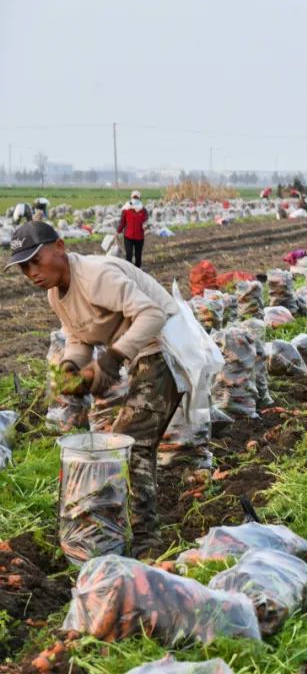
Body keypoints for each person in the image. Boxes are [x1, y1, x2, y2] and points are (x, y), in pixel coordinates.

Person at [6, 221, 182, 557]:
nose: (31, 273)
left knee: (131, 444)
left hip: (168, 349)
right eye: (23, 267)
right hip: (141, 355)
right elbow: (78, 338)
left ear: (59, 246)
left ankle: (146, 542)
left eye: (34, 261)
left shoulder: (96, 275)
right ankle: (126, 532)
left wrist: (112, 359)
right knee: (127, 444)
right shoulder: (55, 294)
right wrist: (72, 366)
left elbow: (153, 314)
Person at [118, 191, 149, 269]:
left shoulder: (143, 210)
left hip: (139, 237)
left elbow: (146, 222)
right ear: (131, 198)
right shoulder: (126, 209)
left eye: (137, 198)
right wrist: (118, 231)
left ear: (139, 198)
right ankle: (129, 270)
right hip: (128, 236)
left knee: (138, 255)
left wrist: (146, 226)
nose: (135, 199)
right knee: (129, 254)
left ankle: (137, 271)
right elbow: (122, 222)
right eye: (134, 197)